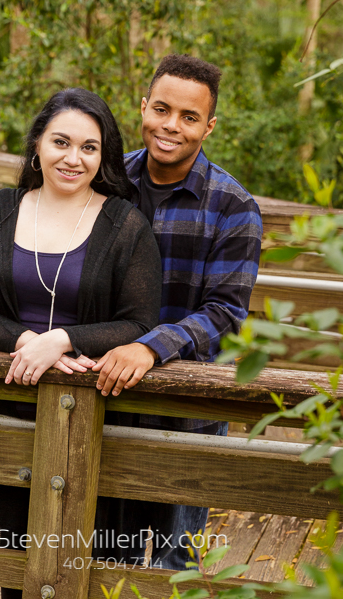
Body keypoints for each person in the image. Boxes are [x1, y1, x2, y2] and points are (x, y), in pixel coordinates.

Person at [0, 88, 162, 599]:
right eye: (61, 141)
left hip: (94, 414)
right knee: (10, 563)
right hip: (9, 404)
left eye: (90, 147)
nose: (74, 157)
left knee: (91, 563)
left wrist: (61, 339)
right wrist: (25, 340)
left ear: (104, 155)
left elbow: (139, 320)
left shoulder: (126, 225)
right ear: (38, 144)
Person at [89, 54, 263, 569]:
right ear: (143, 107)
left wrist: (150, 345)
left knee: (174, 567)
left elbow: (226, 313)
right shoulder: (107, 184)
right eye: (161, 109)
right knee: (99, 558)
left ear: (209, 126)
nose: (171, 126)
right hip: (104, 400)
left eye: (189, 117)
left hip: (187, 413)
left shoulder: (234, 207)